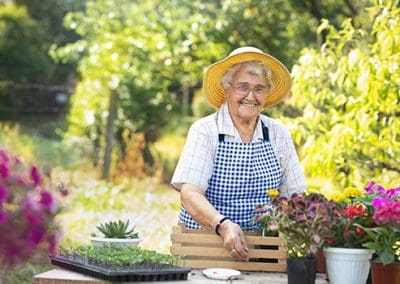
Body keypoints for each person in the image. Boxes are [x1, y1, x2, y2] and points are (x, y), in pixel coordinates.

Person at [171, 46, 306, 262]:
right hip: (203, 246)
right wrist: (223, 225)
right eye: (243, 87)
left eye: (259, 89)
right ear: (227, 88)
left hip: (263, 250)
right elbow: (190, 194)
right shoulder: (206, 130)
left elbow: (295, 197)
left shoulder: (278, 133)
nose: (250, 96)